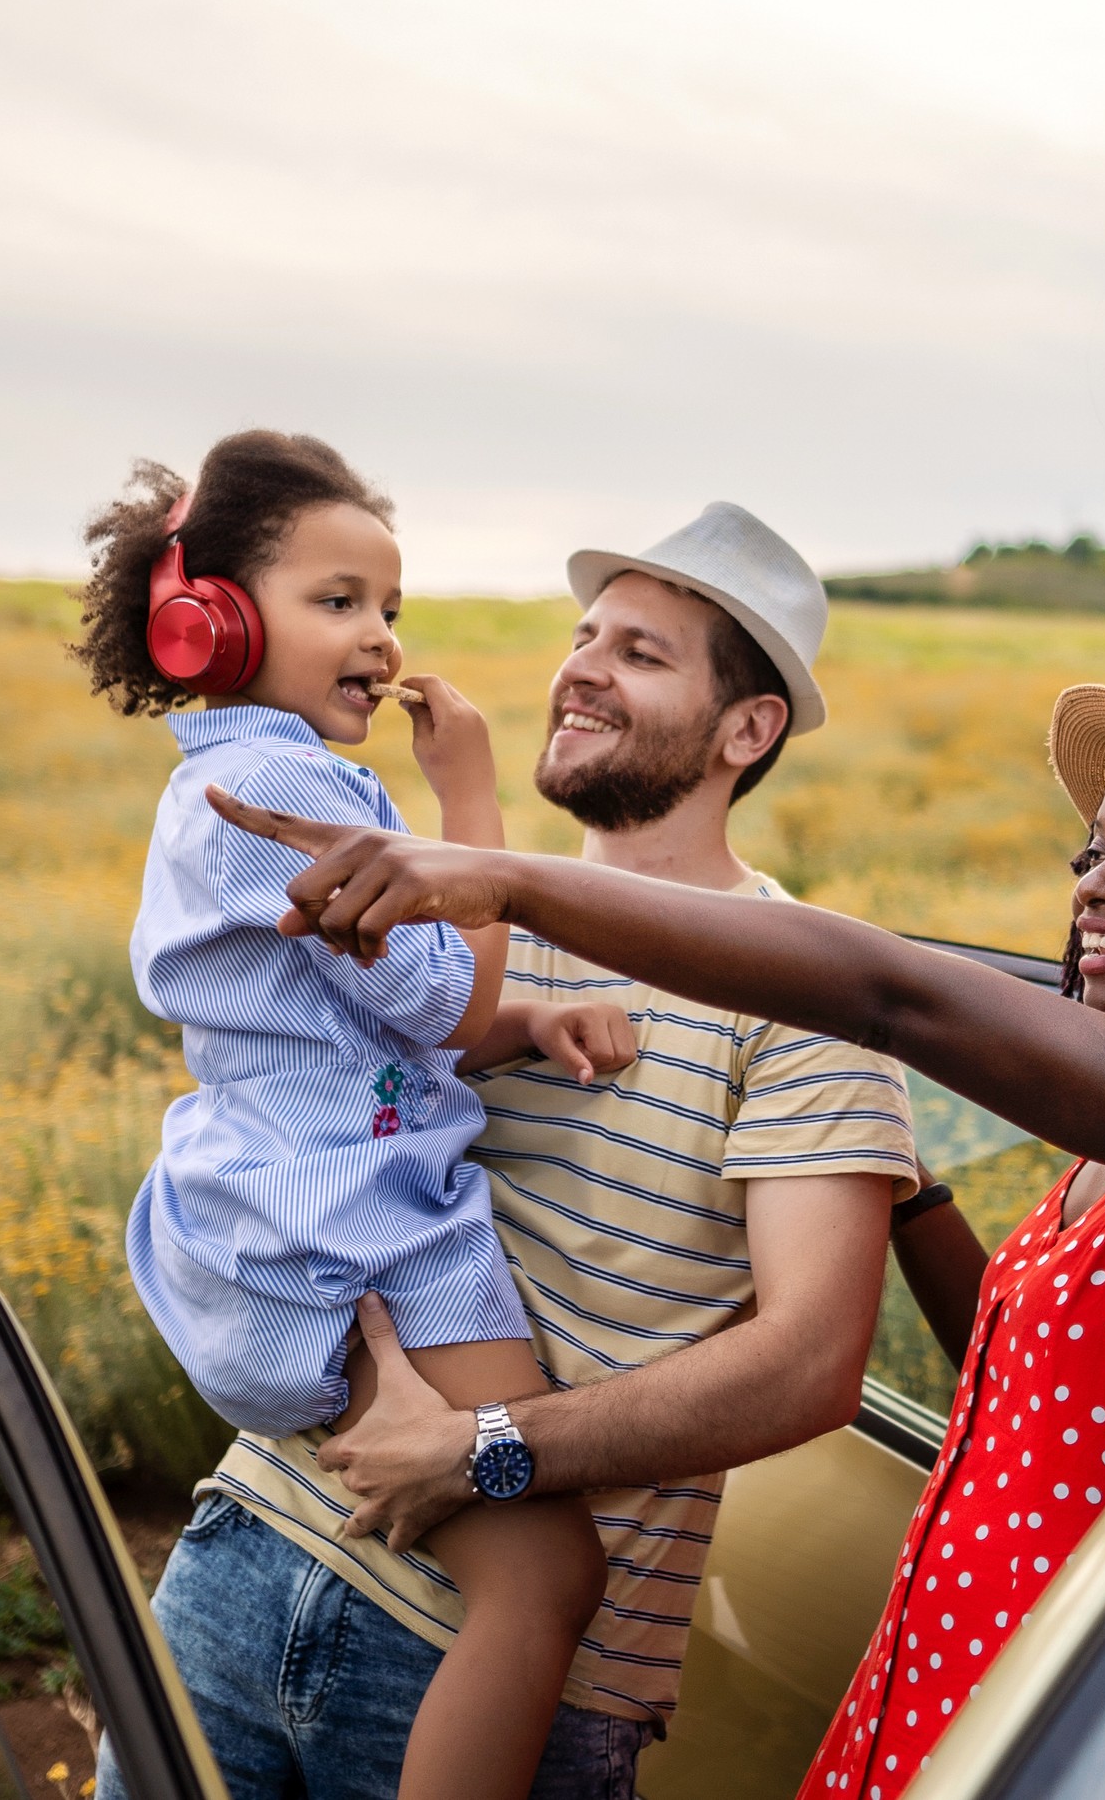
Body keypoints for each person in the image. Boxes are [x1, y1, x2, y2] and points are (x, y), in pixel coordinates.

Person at [207, 667, 1105, 1800]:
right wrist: (910, 1190)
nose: (1094, 885)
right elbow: (1034, 1367)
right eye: (1094, 852)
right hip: (958, 1682)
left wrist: (501, 879)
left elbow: (890, 994)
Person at [118, 502, 924, 1800]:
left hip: (478, 1667)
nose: (581, 667)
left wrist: (487, 1446)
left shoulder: (805, 994)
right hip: (242, 1553)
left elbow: (812, 1363)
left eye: (642, 653)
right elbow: (281, 1128)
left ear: (748, 727)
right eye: (582, 633)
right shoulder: (454, 911)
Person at [77, 435, 629, 1800]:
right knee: (551, 1576)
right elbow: (441, 1004)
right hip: (373, 1231)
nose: (380, 639)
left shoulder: (220, 774)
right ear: (212, 617)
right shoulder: (301, 790)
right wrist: (474, 804)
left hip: (269, 1219)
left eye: (392, 607)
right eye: (338, 601)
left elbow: (360, 1018)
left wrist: (522, 1023)